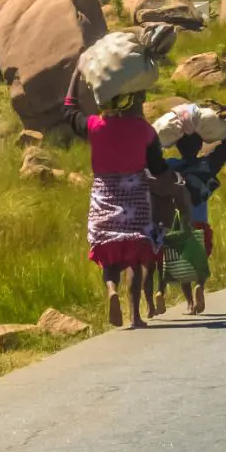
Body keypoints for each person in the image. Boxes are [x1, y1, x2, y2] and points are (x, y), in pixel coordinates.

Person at [70, 89, 169, 328]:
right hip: (135, 198)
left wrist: (75, 76)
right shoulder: (143, 129)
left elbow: (70, 112)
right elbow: (158, 167)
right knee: (133, 257)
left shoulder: (95, 125)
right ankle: (135, 315)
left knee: (109, 253)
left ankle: (111, 289)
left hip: (104, 194)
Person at [165, 110, 226, 316]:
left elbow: (152, 164)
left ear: (177, 146)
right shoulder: (205, 166)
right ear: (199, 146)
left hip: (178, 223)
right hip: (200, 222)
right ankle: (200, 287)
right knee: (199, 261)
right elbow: (222, 153)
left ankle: (188, 303)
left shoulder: (171, 166)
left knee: (182, 266)